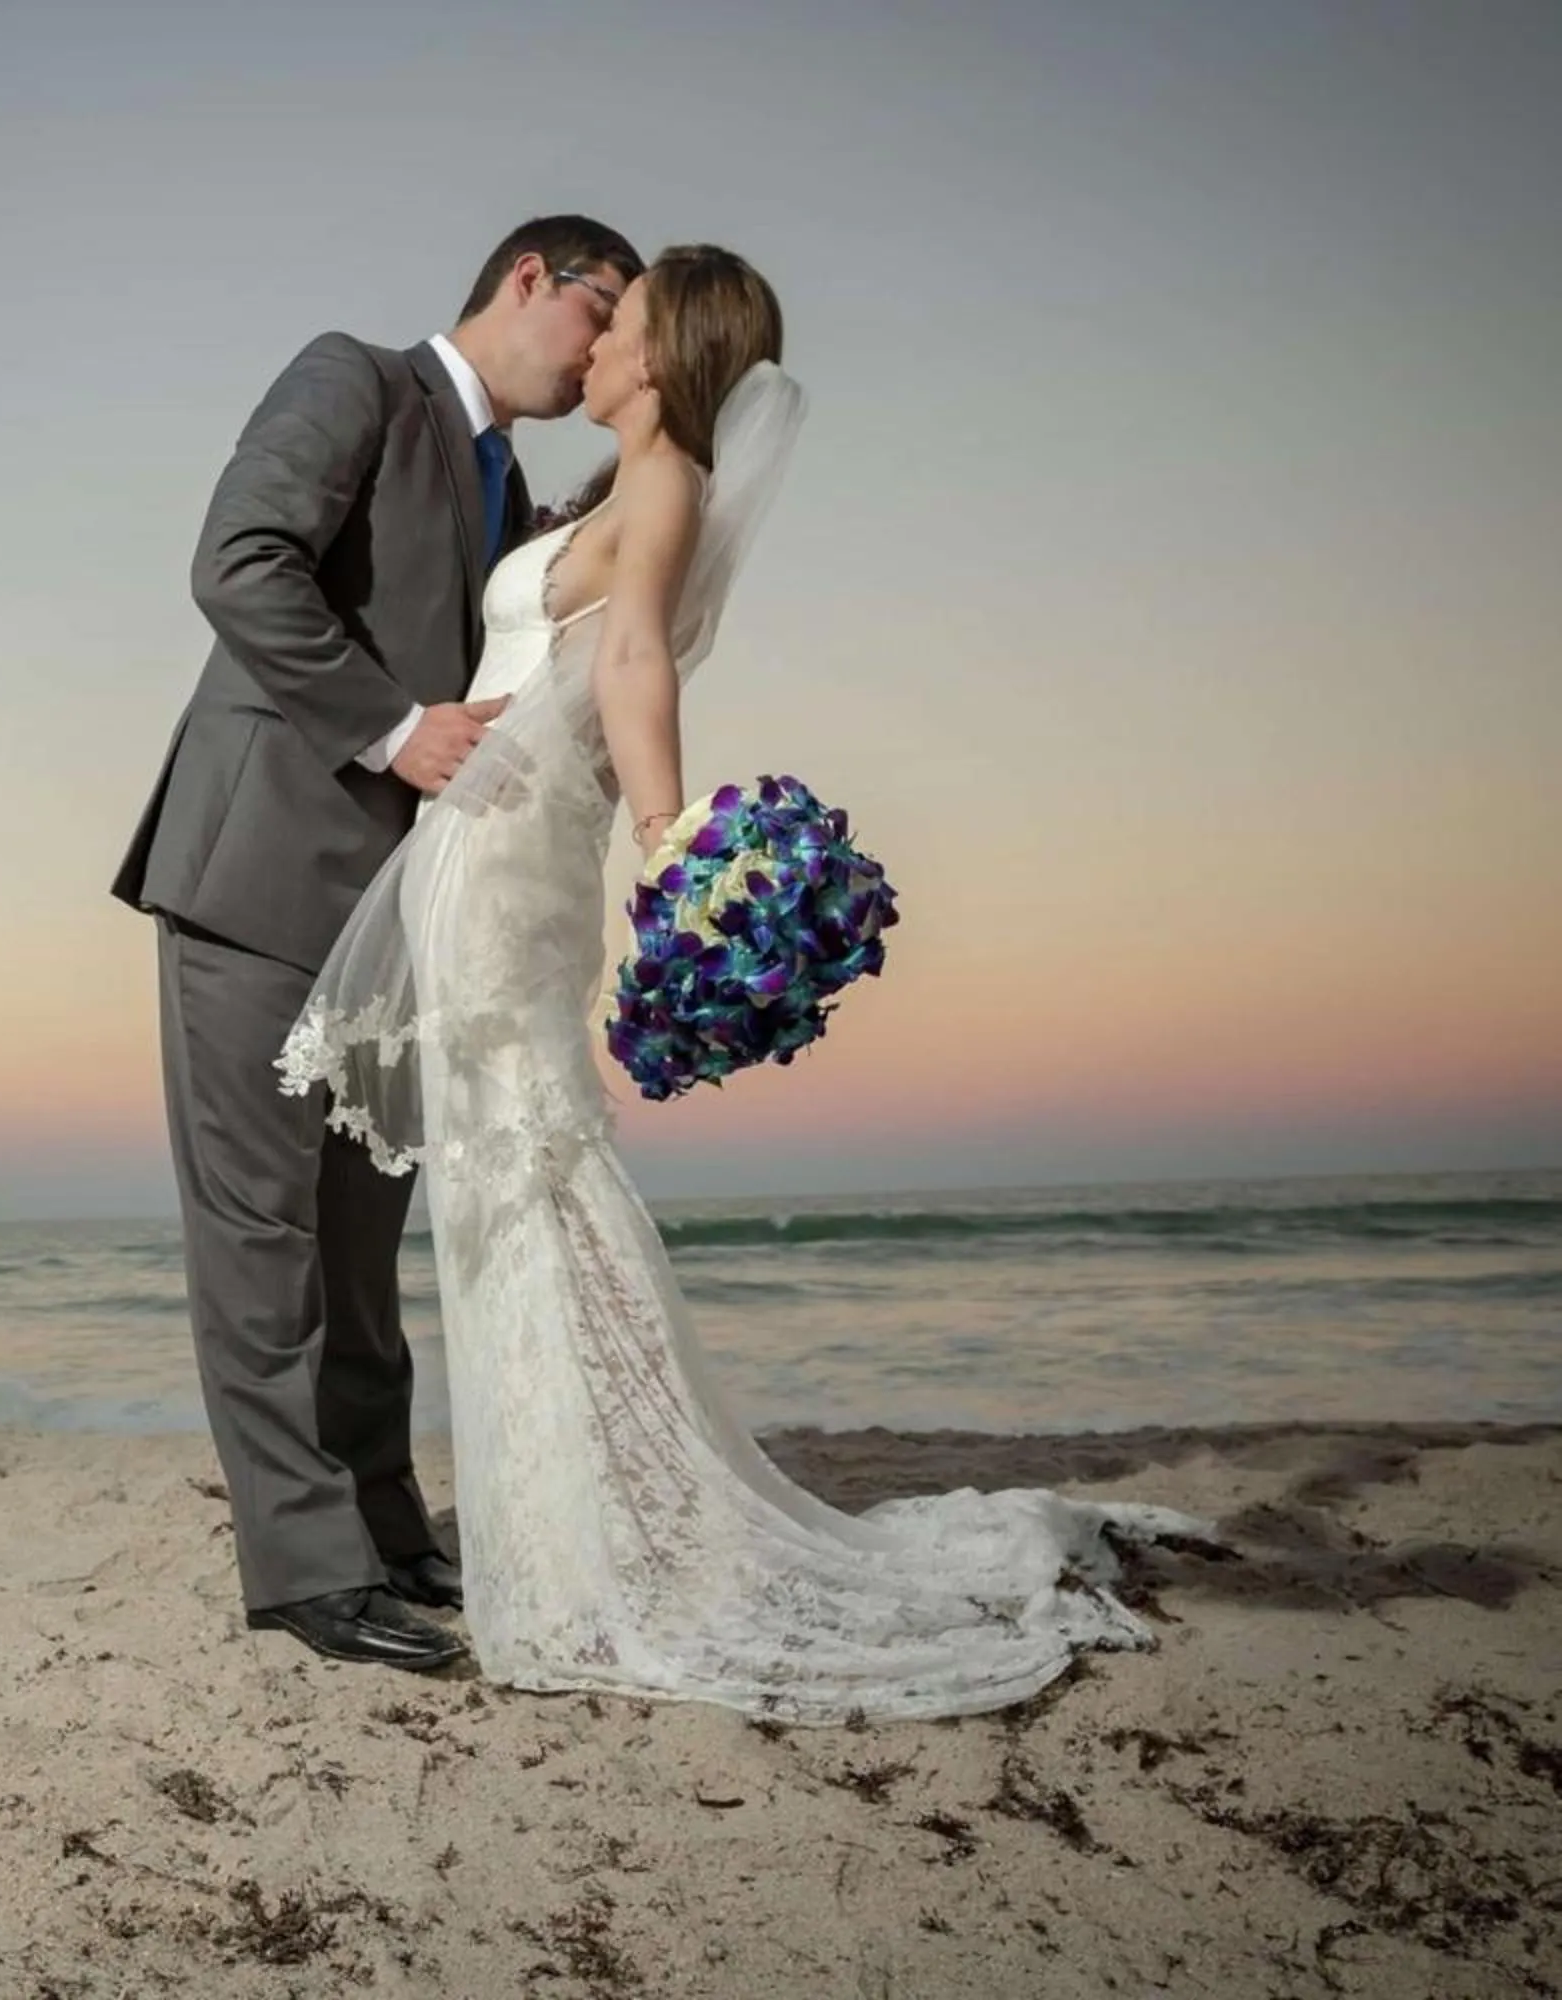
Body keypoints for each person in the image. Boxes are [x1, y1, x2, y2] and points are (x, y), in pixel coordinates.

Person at [278, 246, 1205, 1720]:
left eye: (619, 327)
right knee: (507, 1193)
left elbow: (637, 657)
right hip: (485, 848)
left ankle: (599, 1545)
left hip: (519, 860)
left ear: (665, 355)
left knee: (534, 1186)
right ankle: (561, 1530)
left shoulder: (664, 487)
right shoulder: (605, 486)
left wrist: (672, 839)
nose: (590, 350)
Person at [110, 216, 646, 1673]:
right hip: (254, 881)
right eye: (604, 314)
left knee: (360, 1253)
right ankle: (302, 1570)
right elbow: (240, 561)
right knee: (262, 1241)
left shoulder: (508, 483)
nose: (604, 352)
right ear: (533, 277)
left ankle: (388, 1527)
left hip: (396, 928)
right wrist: (399, 729)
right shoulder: (353, 378)